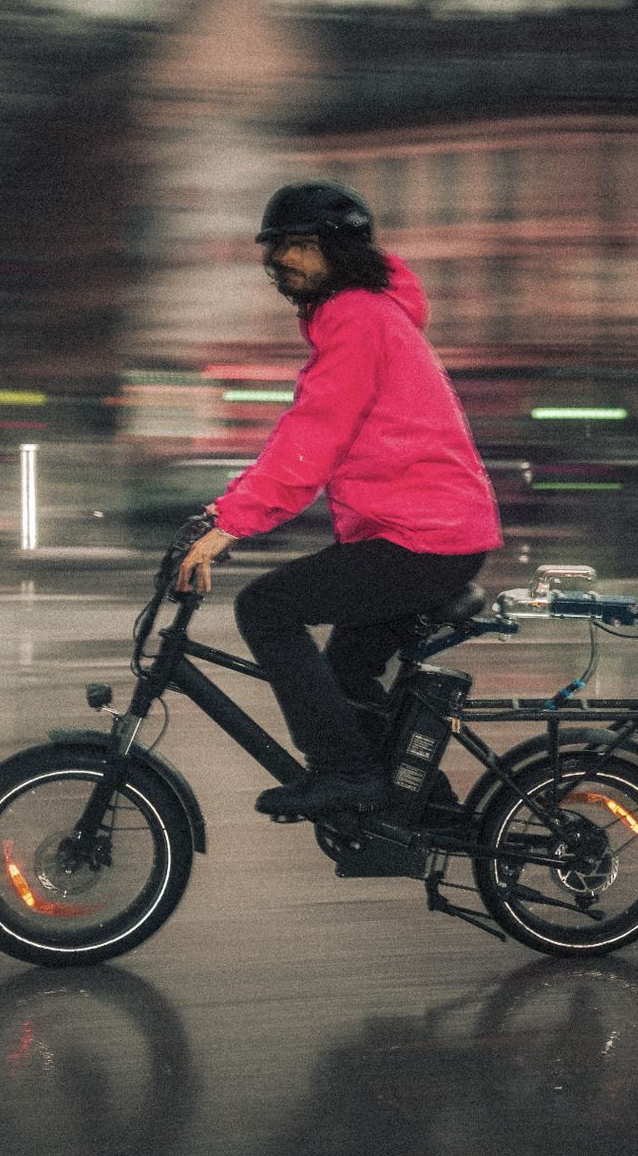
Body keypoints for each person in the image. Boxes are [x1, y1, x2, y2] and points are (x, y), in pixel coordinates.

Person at [174, 179, 502, 819]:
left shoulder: (357, 317)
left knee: (267, 609)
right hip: (427, 536)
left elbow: (314, 434)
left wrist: (232, 524)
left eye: (300, 246)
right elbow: (308, 436)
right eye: (275, 249)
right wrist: (223, 512)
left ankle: (345, 773)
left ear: (340, 250)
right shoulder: (362, 315)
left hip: (422, 540)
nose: (283, 261)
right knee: (345, 679)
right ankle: (419, 806)